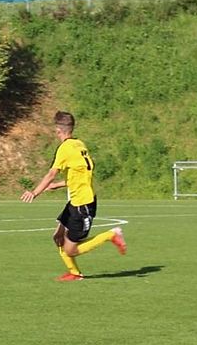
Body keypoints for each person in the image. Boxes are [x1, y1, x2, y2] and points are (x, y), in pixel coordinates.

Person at [20, 110, 127, 281]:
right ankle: (75, 273)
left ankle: (111, 235)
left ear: (58, 130)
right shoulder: (80, 144)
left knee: (71, 250)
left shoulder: (64, 149)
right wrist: (58, 185)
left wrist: (34, 192)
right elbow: (80, 175)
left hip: (83, 204)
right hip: (75, 201)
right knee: (57, 237)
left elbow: (51, 174)